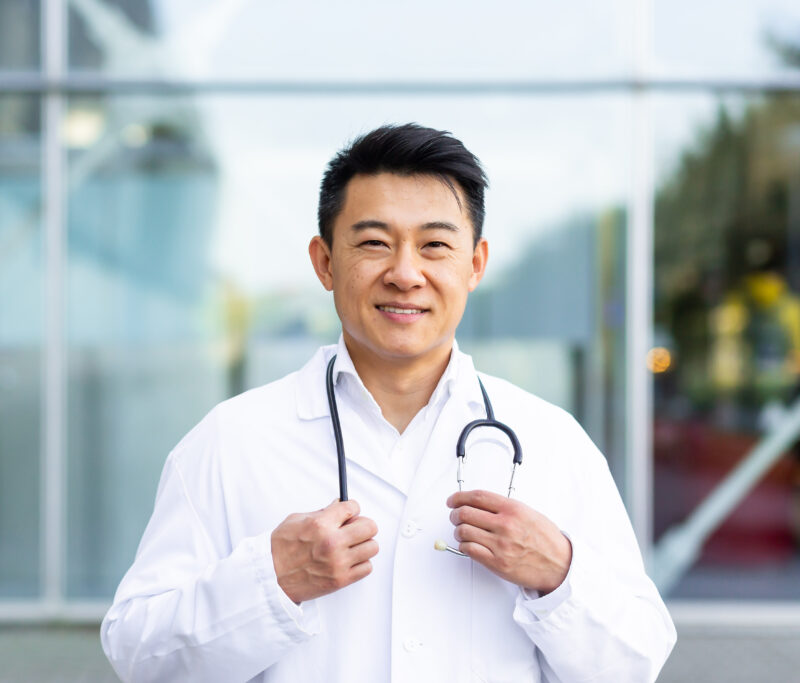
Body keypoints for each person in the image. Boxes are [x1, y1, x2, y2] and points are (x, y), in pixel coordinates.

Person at [101, 123, 676, 682]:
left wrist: (558, 575)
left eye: (434, 246)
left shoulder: (555, 444)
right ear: (325, 262)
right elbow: (138, 657)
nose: (405, 273)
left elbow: (635, 663)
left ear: (474, 264)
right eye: (374, 243)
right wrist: (269, 583)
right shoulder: (231, 441)